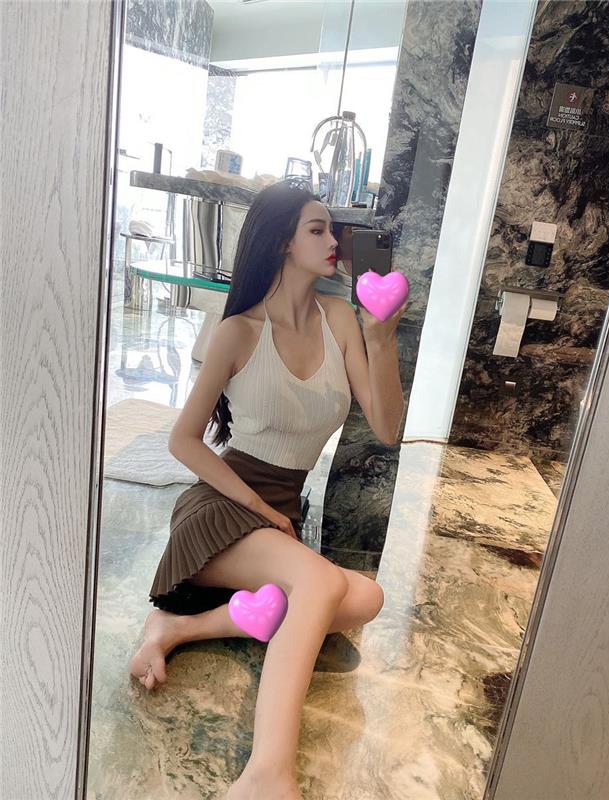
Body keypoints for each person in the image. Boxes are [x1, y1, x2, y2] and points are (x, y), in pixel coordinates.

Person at [128, 179, 406, 799]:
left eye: (332, 230)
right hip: (223, 507)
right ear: (282, 241)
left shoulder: (340, 319)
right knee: (320, 585)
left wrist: (381, 335)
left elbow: (387, 428)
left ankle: (175, 629)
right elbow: (184, 442)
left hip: (277, 513)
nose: (333, 241)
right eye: (317, 229)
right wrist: (257, 507)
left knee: (365, 598)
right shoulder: (239, 331)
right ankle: (266, 774)